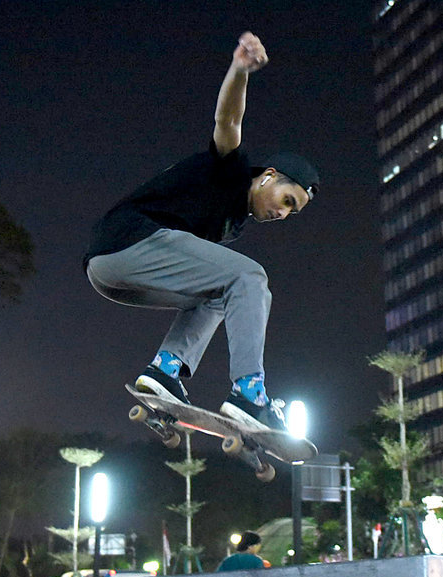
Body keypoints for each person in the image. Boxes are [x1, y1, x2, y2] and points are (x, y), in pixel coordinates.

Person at [84, 31, 319, 433]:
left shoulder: (233, 222)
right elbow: (228, 120)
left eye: (292, 211)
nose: (283, 213)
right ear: (268, 176)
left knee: (218, 293)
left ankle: (164, 372)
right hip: (130, 240)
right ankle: (250, 393)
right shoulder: (230, 171)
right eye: (287, 200)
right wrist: (240, 70)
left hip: (111, 272)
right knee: (248, 277)